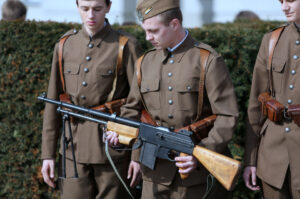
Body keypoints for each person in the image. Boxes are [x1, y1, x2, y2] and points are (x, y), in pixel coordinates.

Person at [106, 0, 239, 198]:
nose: (147, 37)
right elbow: (132, 110)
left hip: (195, 177)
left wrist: (201, 152)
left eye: (154, 31)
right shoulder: (145, 62)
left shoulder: (206, 60)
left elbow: (228, 115)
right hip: (154, 177)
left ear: (174, 24)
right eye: (145, 31)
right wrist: (118, 135)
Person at [40, 0, 143, 198]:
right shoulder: (65, 45)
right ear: (77, 6)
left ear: (108, 7)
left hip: (112, 149)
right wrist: (48, 154)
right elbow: (53, 102)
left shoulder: (125, 46)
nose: (90, 16)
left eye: (97, 9)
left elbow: (140, 103)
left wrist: (136, 156)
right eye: (84, 9)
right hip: (72, 148)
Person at [243, 0, 300, 198]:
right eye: (281, 1)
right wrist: (250, 159)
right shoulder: (272, 40)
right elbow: (256, 104)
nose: (284, 7)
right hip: (273, 161)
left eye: (291, 0)